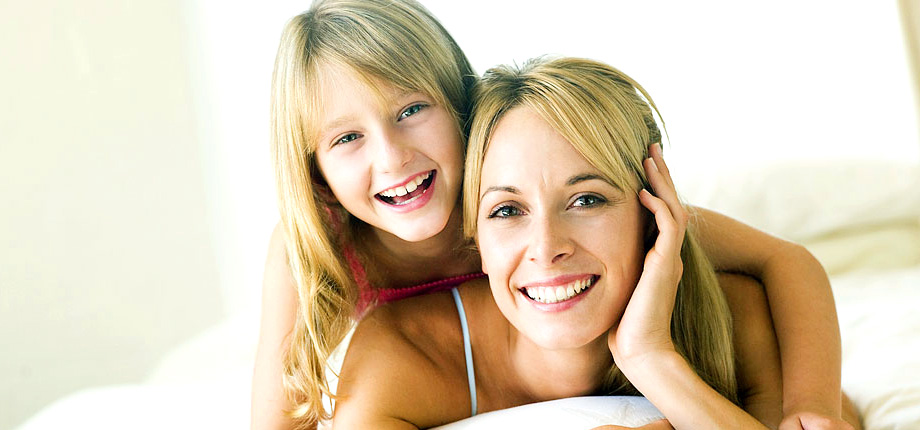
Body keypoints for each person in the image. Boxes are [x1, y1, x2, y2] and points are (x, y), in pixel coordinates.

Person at [251, 1, 849, 429]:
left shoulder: (522, 175)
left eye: (411, 110)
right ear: (315, 174)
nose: (392, 158)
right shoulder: (317, 249)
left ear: (464, 111)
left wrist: (813, 403)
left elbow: (783, 259)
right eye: (346, 138)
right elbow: (274, 416)